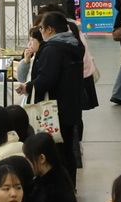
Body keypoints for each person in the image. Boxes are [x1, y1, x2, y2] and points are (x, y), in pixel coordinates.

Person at [17, 10, 86, 184]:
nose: (40, 31)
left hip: (53, 110)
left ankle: (58, 187)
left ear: (49, 29)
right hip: (71, 106)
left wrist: (28, 87)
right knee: (67, 149)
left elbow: (46, 79)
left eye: (41, 28)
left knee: (54, 151)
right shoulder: (74, 46)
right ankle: (69, 185)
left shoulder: (52, 49)